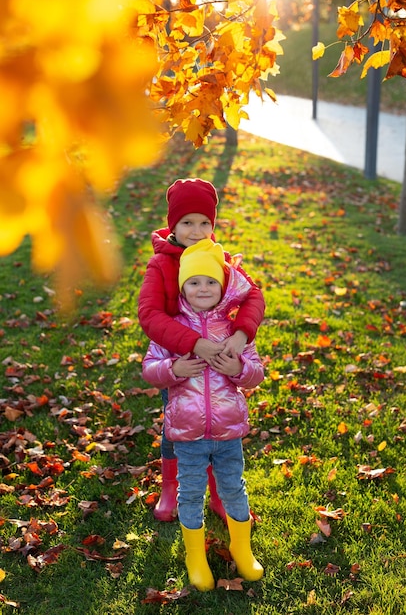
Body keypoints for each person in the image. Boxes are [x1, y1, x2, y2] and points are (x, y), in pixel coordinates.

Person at [138, 178, 265, 522]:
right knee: (176, 425)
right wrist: (195, 344)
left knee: (218, 426)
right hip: (180, 360)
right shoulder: (161, 264)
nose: (197, 231)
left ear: (213, 224)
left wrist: (240, 336)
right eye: (187, 222)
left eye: (205, 222)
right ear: (173, 225)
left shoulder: (219, 258)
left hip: (221, 356)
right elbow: (149, 314)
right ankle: (171, 485)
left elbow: (253, 295)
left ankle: (220, 493)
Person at [142, 239, 264, 591]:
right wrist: (175, 367)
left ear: (223, 286)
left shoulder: (233, 331)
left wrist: (238, 367)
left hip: (228, 434)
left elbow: (257, 373)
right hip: (187, 434)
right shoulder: (173, 330)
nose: (203, 288)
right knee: (191, 493)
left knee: (234, 490)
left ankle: (242, 547)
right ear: (182, 286)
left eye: (211, 281)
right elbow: (150, 370)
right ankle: (194, 555)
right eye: (194, 282)